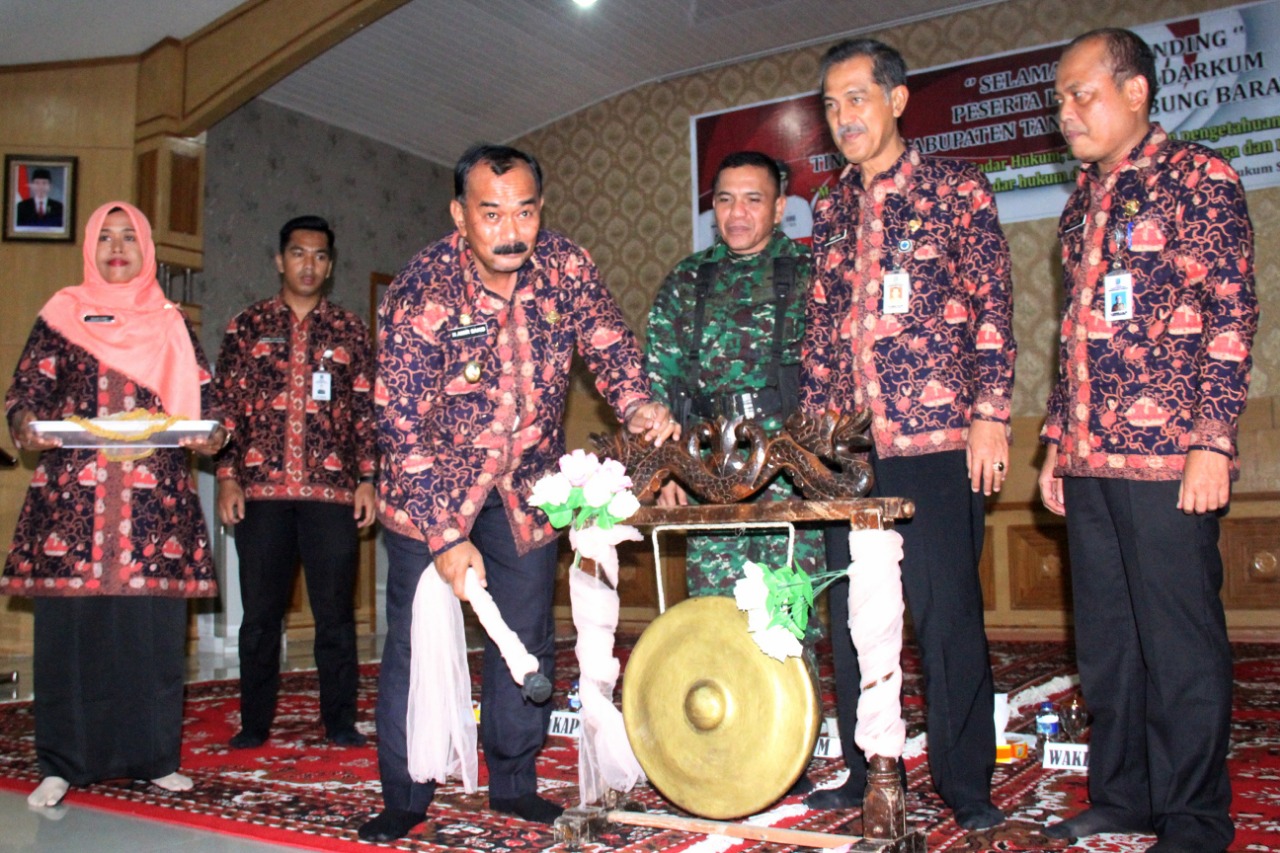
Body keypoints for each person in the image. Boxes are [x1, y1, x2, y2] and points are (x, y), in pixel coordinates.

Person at [360, 144, 676, 842]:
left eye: (525, 211)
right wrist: (444, 535)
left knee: (525, 637)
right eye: (491, 212)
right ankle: (405, 795)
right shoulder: (423, 287)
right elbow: (399, 421)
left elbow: (610, 344)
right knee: (415, 644)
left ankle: (514, 781)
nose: (511, 229)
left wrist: (641, 405)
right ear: (459, 214)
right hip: (431, 493)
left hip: (530, 485)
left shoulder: (565, 266)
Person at [1038, 29, 1256, 853]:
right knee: (1109, 647)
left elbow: (1232, 314)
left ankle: (1195, 816)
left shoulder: (1201, 178)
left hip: (1171, 460)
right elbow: (1076, 335)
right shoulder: (1083, 201)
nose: (1065, 113)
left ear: (1135, 92)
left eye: (1080, 94)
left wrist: (1212, 440)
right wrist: (1058, 438)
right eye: (1058, 98)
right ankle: (1124, 795)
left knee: (1179, 644)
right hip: (1090, 460)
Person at [799, 38, 1015, 831]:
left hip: (936, 442)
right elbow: (821, 332)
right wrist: (816, 443)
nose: (842, 116)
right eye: (830, 104)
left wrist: (992, 414)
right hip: (849, 453)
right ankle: (866, 769)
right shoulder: (829, 208)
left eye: (856, 97)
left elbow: (994, 305)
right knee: (852, 617)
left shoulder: (957, 188)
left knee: (945, 613)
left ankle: (968, 785)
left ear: (896, 100)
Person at [3, 201, 225, 808]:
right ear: (90, 248)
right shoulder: (61, 314)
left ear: (148, 247)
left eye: (130, 237)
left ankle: (152, 758)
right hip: (71, 510)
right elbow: (28, 389)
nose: (118, 247)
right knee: (68, 640)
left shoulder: (170, 322)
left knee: (150, 639)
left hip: (155, 513)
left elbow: (208, 400)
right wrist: (24, 421)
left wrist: (215, 432)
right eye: (106, 237)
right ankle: (60, 763)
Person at [214, 215, 375, 749]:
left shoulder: (350, 330)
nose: (310, 264)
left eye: (321, 256)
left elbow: (364, 412)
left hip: (332, 498)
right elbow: (227, 409)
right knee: (260, 617)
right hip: (260, 495)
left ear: (330, 266)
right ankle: (254, 724)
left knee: (334, 615)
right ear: (280, 260)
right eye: (299, 253)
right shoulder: (247, 326)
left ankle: (340, 723)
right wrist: (227, 478)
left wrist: (368, 479)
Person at [645, 150, 822, 602]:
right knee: (714, 618)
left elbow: (837, 375)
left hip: (789, 468)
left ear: (780, 208)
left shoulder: (811, 273)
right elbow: (657, 384)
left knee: (788, 620)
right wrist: (666, 471)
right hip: (708, 472)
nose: (736, 213)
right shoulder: (688, 279)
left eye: (752, 200)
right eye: (724, 200)